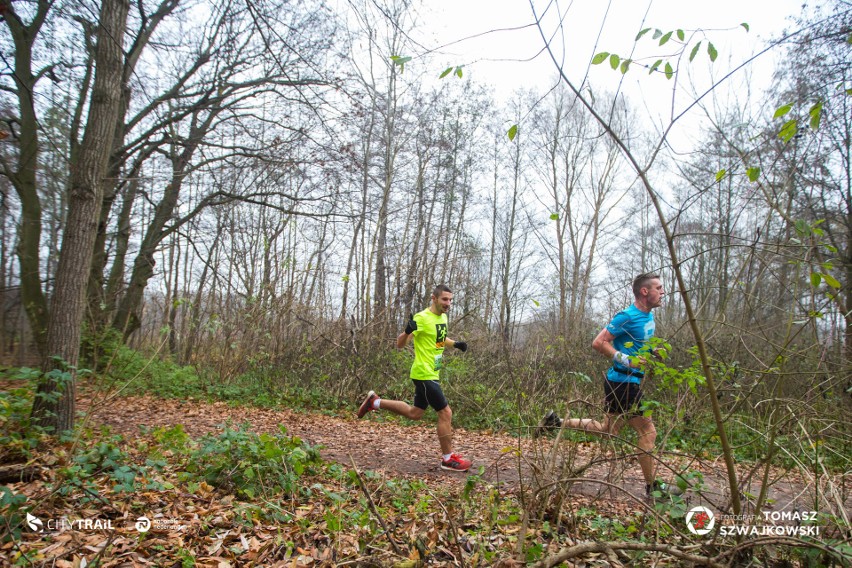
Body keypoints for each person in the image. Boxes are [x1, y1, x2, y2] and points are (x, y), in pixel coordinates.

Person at [540, 272, 681, 498]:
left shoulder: (648, 317)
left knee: (608, 430)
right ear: (645, 292)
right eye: (659, 287)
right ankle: (652, 487)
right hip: (623, 382)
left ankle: (556, 422)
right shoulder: (627, 316)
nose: (663, 291)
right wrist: (627, 360)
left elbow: (635, 343)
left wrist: (652, 351)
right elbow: (598, 342)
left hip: (622, 381)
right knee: (648, 431)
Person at [357, 284, 472, 472]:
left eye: (450, 300)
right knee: (445, 413)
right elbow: (400, 344)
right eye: (444, 299)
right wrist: (408, 331)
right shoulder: (421, 318)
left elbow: (439, 339)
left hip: (431, 373)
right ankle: (448, 459)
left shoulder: (443, 317)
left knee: (415, 413)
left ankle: (375, 402)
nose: (448, 303)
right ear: (434, 298)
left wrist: (456, 344)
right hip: (424, 373)